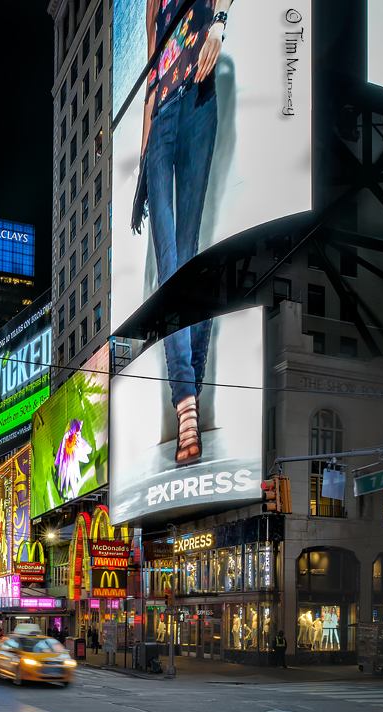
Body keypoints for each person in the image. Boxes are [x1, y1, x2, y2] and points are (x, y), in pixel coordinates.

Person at [132, 0, 233, 465]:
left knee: (192, 260)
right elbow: (153, 73)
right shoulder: (150, 4)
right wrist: (140, 168)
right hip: (162, 119)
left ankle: (190, 383)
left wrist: (219, 25)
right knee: (169, 260)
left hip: (199, 100)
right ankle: (186, 406)